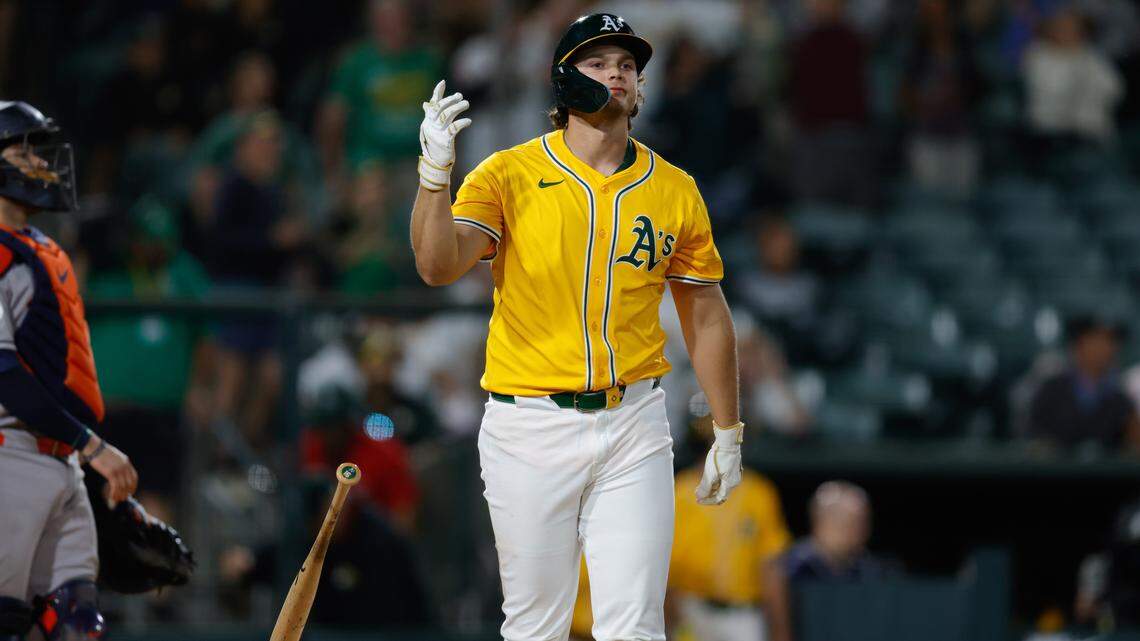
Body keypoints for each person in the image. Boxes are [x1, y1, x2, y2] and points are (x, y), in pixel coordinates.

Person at [410, 13, 744, 641]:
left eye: (627, 65)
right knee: (537, 627)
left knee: (637, 626)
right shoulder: (506, 173)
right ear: (563, 81)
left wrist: (728, 428)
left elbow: (704, 312)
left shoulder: (675, 189)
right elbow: (436, 265)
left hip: (635, 422)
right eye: (597, 63)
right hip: (529, 423)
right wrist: (434, 177)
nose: (616, 74)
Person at [0, 101, 138, 640]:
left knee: (78, 620)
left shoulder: (40, 247)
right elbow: (4, 371)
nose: (40, 163)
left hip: (62, 462)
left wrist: (83, 451)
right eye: (23, 151)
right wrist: (94, 446)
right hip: (10, 455)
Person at [668, 395, 792, 641]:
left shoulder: (759, 492)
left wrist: (780, 630)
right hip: (690, 611)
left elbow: (771, 570)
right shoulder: (678, 490)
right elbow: (664, 570)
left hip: (743, 615)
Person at [765, 481, 884, 641]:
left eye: (863, 521)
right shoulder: (793, 566)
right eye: (851, 522)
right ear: (822, 520)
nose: (861, 530)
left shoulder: (866, 569)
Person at [1028, 315, 1140, 453]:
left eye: (1110, 342)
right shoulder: (1050, 392)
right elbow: (1034, 440)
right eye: (1095, 341)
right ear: (1077, 346)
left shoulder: (1121, 401)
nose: (1104, 349)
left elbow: (1132, 446)